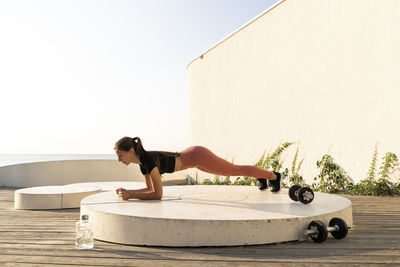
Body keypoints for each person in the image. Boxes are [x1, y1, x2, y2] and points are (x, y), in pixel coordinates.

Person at [114, 136, 282, 200]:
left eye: (121, 155)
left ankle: (273, 177)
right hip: (193, 160)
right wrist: (128, 191)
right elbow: (150, 189)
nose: (119, 160)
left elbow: (158, 194)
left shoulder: (148, 161)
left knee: (234, 170)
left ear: (130, 151)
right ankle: (262, 176)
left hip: (198, 156)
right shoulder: (142, 164)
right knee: (234, 170)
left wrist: (131, 195)